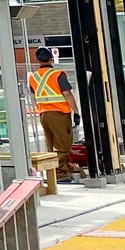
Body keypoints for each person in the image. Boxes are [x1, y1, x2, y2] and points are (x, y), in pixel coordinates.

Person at [29, 48, 79, 181]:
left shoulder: (33, 77)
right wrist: (76, 111)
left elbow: (34, 97)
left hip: (44, 114)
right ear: (51, 59)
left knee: (51, 144)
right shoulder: (58, 75)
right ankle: (60, 173)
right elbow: (67, 94)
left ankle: (63, 168)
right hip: (59, 113)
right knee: (63, 144)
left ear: (38, 60)